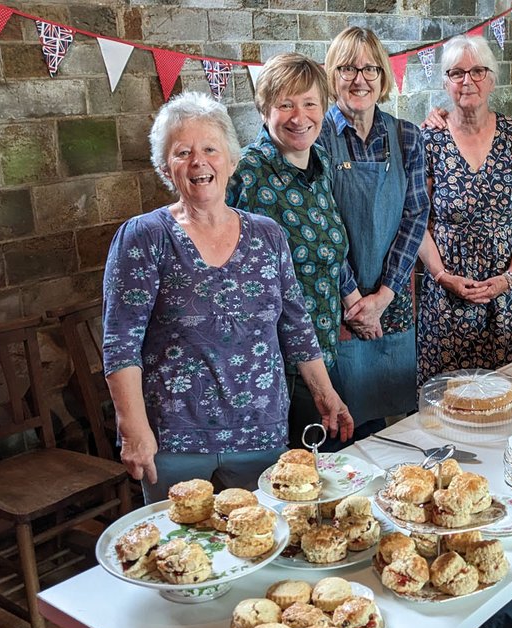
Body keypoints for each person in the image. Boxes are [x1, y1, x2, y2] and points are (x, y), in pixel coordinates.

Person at [102, 91, 353, 503]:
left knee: (261, 533)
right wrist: (133, 428)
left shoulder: (268, 235)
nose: (198, 162)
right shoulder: (144, 237)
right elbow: (120, 343)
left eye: (210, 149)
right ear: (165, 168)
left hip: (262, 433)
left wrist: (325, 394)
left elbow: (295, 325)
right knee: (181, 540)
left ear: (232, 161)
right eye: (183, 152)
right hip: (175, 438)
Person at [227, 53, 362, 448]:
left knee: (328, 464)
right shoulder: (244, 173)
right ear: (264, 109)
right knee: (299, 472)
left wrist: (352, 302)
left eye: (309, 104)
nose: (299, 117)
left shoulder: (320, 163)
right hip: (272, 364)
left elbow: (329, 249)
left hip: (324, 351)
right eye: (285, 104)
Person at [319, 27, 429, 438]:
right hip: (336, 301)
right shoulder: (316, 137)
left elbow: (415, 216)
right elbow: (320, 228)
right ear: (332, 76)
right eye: (347, 69)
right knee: (341, 426)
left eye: (370, 69)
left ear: (383, 77)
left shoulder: (407, 136)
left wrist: (384, 295)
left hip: (390, 297)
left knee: (392, 427)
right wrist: (354, 300)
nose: (359, 79)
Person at [416, 35, 512, 382]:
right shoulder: (428, 140)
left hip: (509, 293)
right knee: (447, 397)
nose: (467, 81)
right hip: (447, 296)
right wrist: (442, 276)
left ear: (492, 79)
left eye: (477, 71)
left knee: (510, 393)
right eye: (456, 73)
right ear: (445, 83)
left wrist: (511, 276)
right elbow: (416, 221)